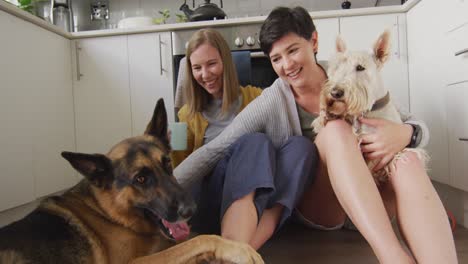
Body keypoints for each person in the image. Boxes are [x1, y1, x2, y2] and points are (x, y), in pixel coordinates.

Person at [173, 7, 458, 263]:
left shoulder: (345, 74)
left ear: (314, 42)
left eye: (293, 51)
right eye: (276, 59)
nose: (286, 65)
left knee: (409, 161)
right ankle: (393, 257)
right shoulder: (273, 99)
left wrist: (407, 133)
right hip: (324, 206)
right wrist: (156, 194)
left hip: (374, 200)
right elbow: (216, 148)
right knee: (335, 131)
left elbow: (411, 121)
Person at [171, 28, 318, 250]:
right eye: (197, 68)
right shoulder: (184, 115)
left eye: (211, 64)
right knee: (254, 141)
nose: (205, 74)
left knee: (302, 147)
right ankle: (234, 245)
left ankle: (244, 248)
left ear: (226, 62)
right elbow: (176, 169)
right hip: (209, 204)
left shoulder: (257, 98)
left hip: (259, 196)